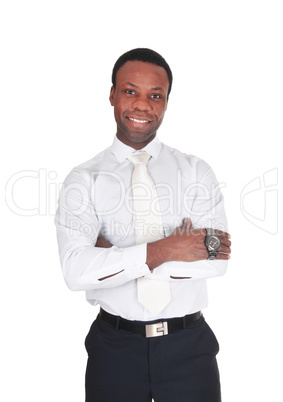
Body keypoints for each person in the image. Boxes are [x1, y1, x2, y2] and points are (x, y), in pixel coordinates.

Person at [55, 48, 231, 402]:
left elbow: (217, 258)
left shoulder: (197, 171)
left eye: (155, 95)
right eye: (130, 91)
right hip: (114, 350)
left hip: (190, 349)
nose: (142, 105)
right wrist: (170, 247)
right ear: (112, 95)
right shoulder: (83, 180)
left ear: (166, 102)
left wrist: (114, 258)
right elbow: (75, 272)